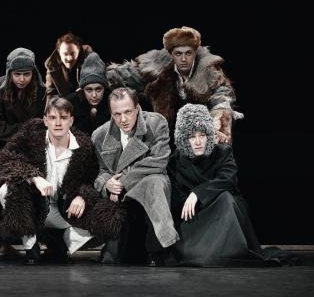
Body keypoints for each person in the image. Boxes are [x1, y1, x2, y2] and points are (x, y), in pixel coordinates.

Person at [0, 96, 123, 264]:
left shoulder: (83, 146)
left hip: (64, 210)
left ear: (71, 121)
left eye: (63, 118)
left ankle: (59, 243)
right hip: (35, 206)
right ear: (45, 120)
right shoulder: (31, 137)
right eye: (53, 118)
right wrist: (34, 177)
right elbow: (6, 161)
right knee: (7, 189)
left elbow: (91, 178)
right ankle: (30, 246)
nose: (58, 123)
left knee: (109, 216)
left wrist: (82, 196)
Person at [167, 104, 297, 266]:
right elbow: (176, 197)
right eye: (192, 137)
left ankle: (230, 250)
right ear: (183, 139)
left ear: (209, 135)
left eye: (202, 135)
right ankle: (201, 250)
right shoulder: (175, 162)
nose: (198, 142)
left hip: (224, 210)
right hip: (195, 217)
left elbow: (227, 179)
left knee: (225, 198)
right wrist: (191, 201)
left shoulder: (222, 152)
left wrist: (198, 193)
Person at [106, 26, 242, 145]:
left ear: (195, 53)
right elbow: (121, 76)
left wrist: (218, 129)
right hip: (167, 134)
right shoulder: (157, 69)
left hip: (198, 136)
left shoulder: (209, 71)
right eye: (178, 54)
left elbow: (222, 100)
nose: (183, 59)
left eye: (188, 53)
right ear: (171, 54)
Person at [92, 87, 178, 266]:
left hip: (152, 186)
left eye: (127, 112)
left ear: (137, 108)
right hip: (120, 195)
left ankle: (162, 248)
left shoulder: (155, 123)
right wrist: (107, 184)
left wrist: (122, 182)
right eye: (117, 114)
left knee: (153, 182)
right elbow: (101, 171)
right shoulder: (100, 136)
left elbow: (158, 161)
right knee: (116, 258)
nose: (123, 119)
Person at [0, 47, 46, 260]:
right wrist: (25, 131)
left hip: (24, 142)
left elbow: (40, 122)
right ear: (9, 73)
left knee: (29, 180)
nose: (22, 79)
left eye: (26, 74)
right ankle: (4, 242)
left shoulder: (40, 91)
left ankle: (33, 240)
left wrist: (28, 135)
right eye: (17, 74)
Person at [66, 52, 111, 135]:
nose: (94, 95)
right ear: (82, 90)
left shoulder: (114, 102)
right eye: (89, 90)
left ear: (104, 88)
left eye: (98, 89)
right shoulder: (68, 104)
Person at [44, 32, 93, 104]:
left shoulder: (90, 58)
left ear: (79, 50)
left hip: (86, 103)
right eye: (65, 54)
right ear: (59, 52)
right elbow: (50, 94)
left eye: (73, 53)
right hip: (65, 107)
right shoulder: (52, 65)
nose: (69, 58)